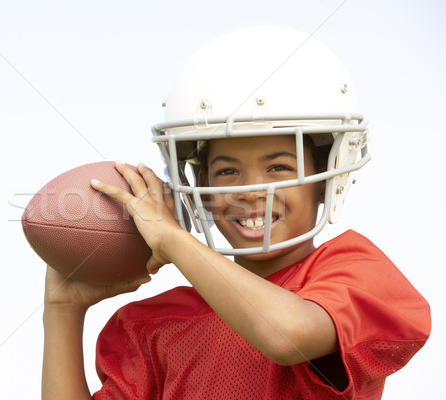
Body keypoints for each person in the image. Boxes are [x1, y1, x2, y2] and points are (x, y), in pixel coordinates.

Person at [41, 26, 431, 399]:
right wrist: (62, 312)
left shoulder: (355, 272)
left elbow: (285, 334)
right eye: (227, 171)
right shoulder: (151, 325)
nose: (252, 191)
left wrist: (174, 240)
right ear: (200, 184)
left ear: (323, 178)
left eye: (280, 166)